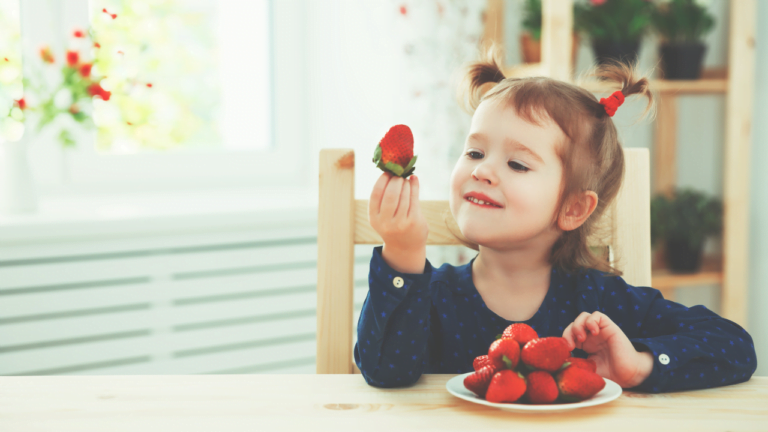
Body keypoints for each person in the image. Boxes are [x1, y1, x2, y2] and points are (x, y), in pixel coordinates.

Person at [354, 45, 757, 393]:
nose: (482, 170)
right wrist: (402, 254)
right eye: (475, 153)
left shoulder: (604, 302)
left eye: (516, 163)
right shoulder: (434, 295)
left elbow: (736, 346)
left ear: (573, 209)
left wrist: (638, 365)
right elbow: (385, 373)